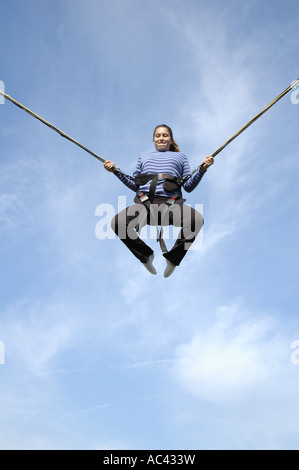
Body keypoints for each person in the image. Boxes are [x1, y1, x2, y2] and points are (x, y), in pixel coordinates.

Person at [104, 124, 214, 277]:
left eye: (165, 135)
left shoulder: (180, 157)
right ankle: (146, 255)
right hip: (145, 205)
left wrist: (203, 169)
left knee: (197, 220)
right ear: (153, 140)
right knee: (117, 222)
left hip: (171, 205)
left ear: (170, 139)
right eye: (158, 136)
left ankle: (173, 259)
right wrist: (115, 171)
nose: (161, 138)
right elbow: (134, 184)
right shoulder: (143, 156)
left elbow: (188, 186)